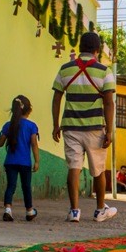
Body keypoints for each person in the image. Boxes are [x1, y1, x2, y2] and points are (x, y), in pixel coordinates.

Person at [51, 31, 117, 223]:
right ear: (97, 50)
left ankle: (74, 211)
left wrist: (56, 124)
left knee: (74, 167)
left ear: (80, 48)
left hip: (70, 126)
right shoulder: (104, 71)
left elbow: (56, 98)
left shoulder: (65, 69)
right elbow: (109, 103)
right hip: (95, 127)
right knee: (98, 170)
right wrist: (110, 131)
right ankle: (99, 211)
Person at [0, 95, 39, 222]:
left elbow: (0, 143)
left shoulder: (8, 125)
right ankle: (29, 211)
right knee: (26, 187)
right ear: (29, 110)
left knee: (11, 186)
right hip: (25, 163)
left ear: (13, 110)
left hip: (10, 162)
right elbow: (34, 144)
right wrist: (37, 161)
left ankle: (8, 209)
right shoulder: (31, 126)